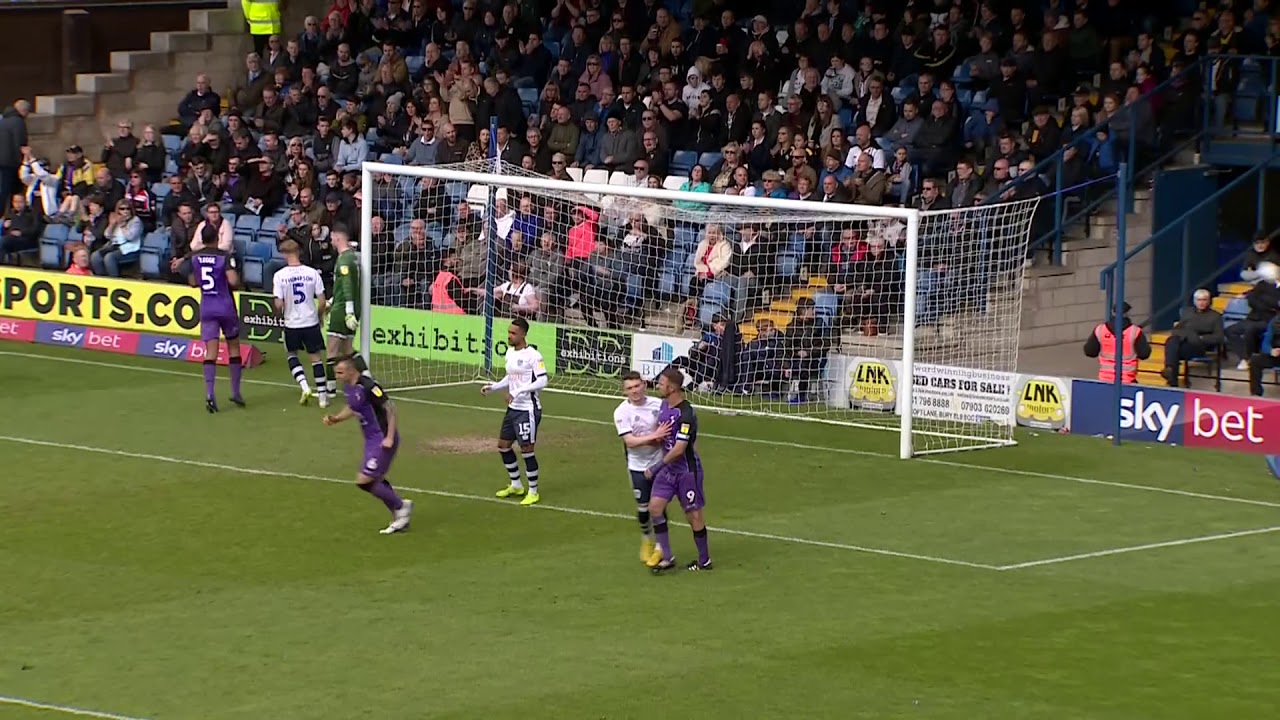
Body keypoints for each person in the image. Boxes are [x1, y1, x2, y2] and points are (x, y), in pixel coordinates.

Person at [322, 357, 414, 535]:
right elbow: (353, 406)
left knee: (364, 480)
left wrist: (389, 437)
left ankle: (401, 507)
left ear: (351, 370)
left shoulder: (369, 386)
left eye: (340, 372)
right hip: (371, 440)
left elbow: (391, 408)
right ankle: (400, 514)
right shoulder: (349, 387)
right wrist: (337, 419)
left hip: (382, 438)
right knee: (369, 480)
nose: (337, 376)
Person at [645, 365, 710, 573]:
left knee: (694, 516)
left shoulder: (686, 413)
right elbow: (663, 438)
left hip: (686, 472)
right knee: (655, 508)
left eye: (662, 383)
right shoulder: (664, 407)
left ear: (672, 388)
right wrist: (656, 438)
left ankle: (704, 561)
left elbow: (681, 449)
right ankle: (667, 555)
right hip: (669, 471)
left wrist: (655, 467)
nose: (658, 386)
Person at [481, 318, 548, 506]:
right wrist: (494, 387)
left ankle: (533, 491)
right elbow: (511, 377)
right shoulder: (510, 353)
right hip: (513, 409)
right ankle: (517, 485)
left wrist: (517, 391)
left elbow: (543, 381)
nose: (509, 336)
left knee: (527, 449)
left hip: (528, 409)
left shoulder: (534, 356)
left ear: (523, 334)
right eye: (509, 332)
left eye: (513, 333)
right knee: (503, 445)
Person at [613, 371, 667, 564]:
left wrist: (657, 439)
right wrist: (654, 437)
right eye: (629, 388)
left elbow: (666, 431)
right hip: (637, 466)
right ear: (624, 391)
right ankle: (646, 541)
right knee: (643, 508)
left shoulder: (659, 405)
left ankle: (661, 547)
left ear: (644, 384)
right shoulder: (621, 412)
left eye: (637, 386)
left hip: (660, 463)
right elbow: (630, 442)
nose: (634, 391)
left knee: (658, 506)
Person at [190, 234, 244, 412]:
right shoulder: (224, 256)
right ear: (216, 238)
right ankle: (235, 392)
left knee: (210, 352)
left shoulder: (195, 257)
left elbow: (193, 281)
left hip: (207, 307)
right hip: (225, 306)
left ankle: (209, 393)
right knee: (233, 348)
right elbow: (233, 281)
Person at [273, 239, 331, 407]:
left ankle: (305, 387)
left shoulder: (280, 276)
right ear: (298, 252)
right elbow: (321, 301)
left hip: (292, 323)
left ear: (284, 254)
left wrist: (281, 307)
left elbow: (279, 304)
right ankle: (322, 397)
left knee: (292, 355)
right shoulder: (312, 273)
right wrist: (319, 316)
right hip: (310, 321)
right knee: (316, 358)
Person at [325, 226, 367, 394]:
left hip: (343, 310)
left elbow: (348, 285)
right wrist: (331, 300)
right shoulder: (354, 258)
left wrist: (347, 310)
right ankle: (366, 376)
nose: (330, 240)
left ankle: (329, 388)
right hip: (351, 307)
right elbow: (343, 286)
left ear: (338, 238)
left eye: (332, 237)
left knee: (332, 350)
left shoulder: (344, 260)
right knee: (348, 350)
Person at [1160, 289, 1224, 387]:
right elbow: (1176, 330)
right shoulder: (1187, 313)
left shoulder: (1215, 316)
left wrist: (1200, 338)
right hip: (1183, 342)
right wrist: (1187, 335)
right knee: (1172, 341)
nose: (1201, 303)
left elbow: (1218, 337)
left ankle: (1171, 377)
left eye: (1204, 300)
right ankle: (1170, 370)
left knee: (1174, 351)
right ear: (1194, 301)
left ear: (1209, 301)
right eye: (1199, 300)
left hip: (1199, 345)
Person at [1083, 302, 1151, 384]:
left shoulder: (1100, 329)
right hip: (1127, 379)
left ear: (1113, 312)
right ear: (1127, 313)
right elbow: (1144, 354)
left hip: (1104, 379)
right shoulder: (1134, 331)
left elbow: (1089, 352)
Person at [1248, 315, 1280, 397]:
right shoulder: (1275, 322)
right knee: (1255, 360)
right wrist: (1270, 351)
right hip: (1276, 355)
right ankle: (1256, 393)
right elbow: (1265, 343)